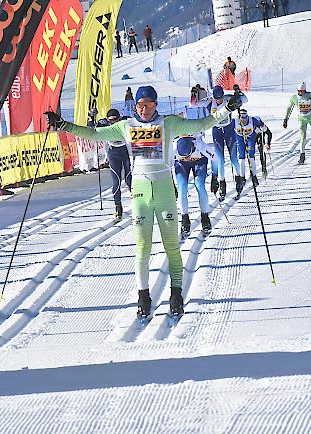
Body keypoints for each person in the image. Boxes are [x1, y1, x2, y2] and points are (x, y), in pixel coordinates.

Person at [44, 85, 242, 319]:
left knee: (171, 247)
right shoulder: (126, 126)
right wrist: (63, 125)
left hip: (164, 191)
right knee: (142, 249)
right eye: (140, 105)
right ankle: (143, 297)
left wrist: (227, 109)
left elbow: (202, 124)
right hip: (140, 194)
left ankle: (176, 295)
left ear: (156, 104)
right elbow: (95, 134)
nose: (144, 109)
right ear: (135, 106)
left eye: (148, 104)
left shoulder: (169, 123)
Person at [174, 134, 215, 239]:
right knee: (182, 188)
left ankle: (205, 218)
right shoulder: (173, 148)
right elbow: (166, 165)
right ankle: (185, 220)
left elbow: (215, 158)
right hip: (181, 164)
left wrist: (215, 176)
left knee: (199, 185)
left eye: (188, 156)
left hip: (200, 161)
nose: (187, 158)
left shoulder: (200, 145)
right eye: (184, 157)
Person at [97, 108, 132, 221]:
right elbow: (92, 129)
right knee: (116, 181)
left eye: (115, 120)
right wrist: (91, 117)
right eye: (111, 120)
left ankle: (137, 203)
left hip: (126, 153)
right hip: (113, 154)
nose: (114, 123)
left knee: (129, 179)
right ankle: (118, 207)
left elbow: (138, 121)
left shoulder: (124, 121)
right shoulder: (104, 124)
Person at [209, 85, 237, 202]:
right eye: (217, 98)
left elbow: (244, 99)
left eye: (220, 98)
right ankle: (222, 185)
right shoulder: (210, 101)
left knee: (233, 158)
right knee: (220, 160)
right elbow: (193, 104)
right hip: (217, 132)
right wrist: (194, 96)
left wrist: (237, 93)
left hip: (229, 130)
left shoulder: (227, 98)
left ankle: (239, 179)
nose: (219, 100)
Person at [232, 109, 265, 194]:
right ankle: (242, 178)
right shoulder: (234, 121)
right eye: (241, 118)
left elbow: (263, 126)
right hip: (240, 138)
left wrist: (262, 128)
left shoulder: (252, 120)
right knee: (241, 159)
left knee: (251, 157)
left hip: (251, 138)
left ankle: (254, 176)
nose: (243, 119)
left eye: (245, 117)